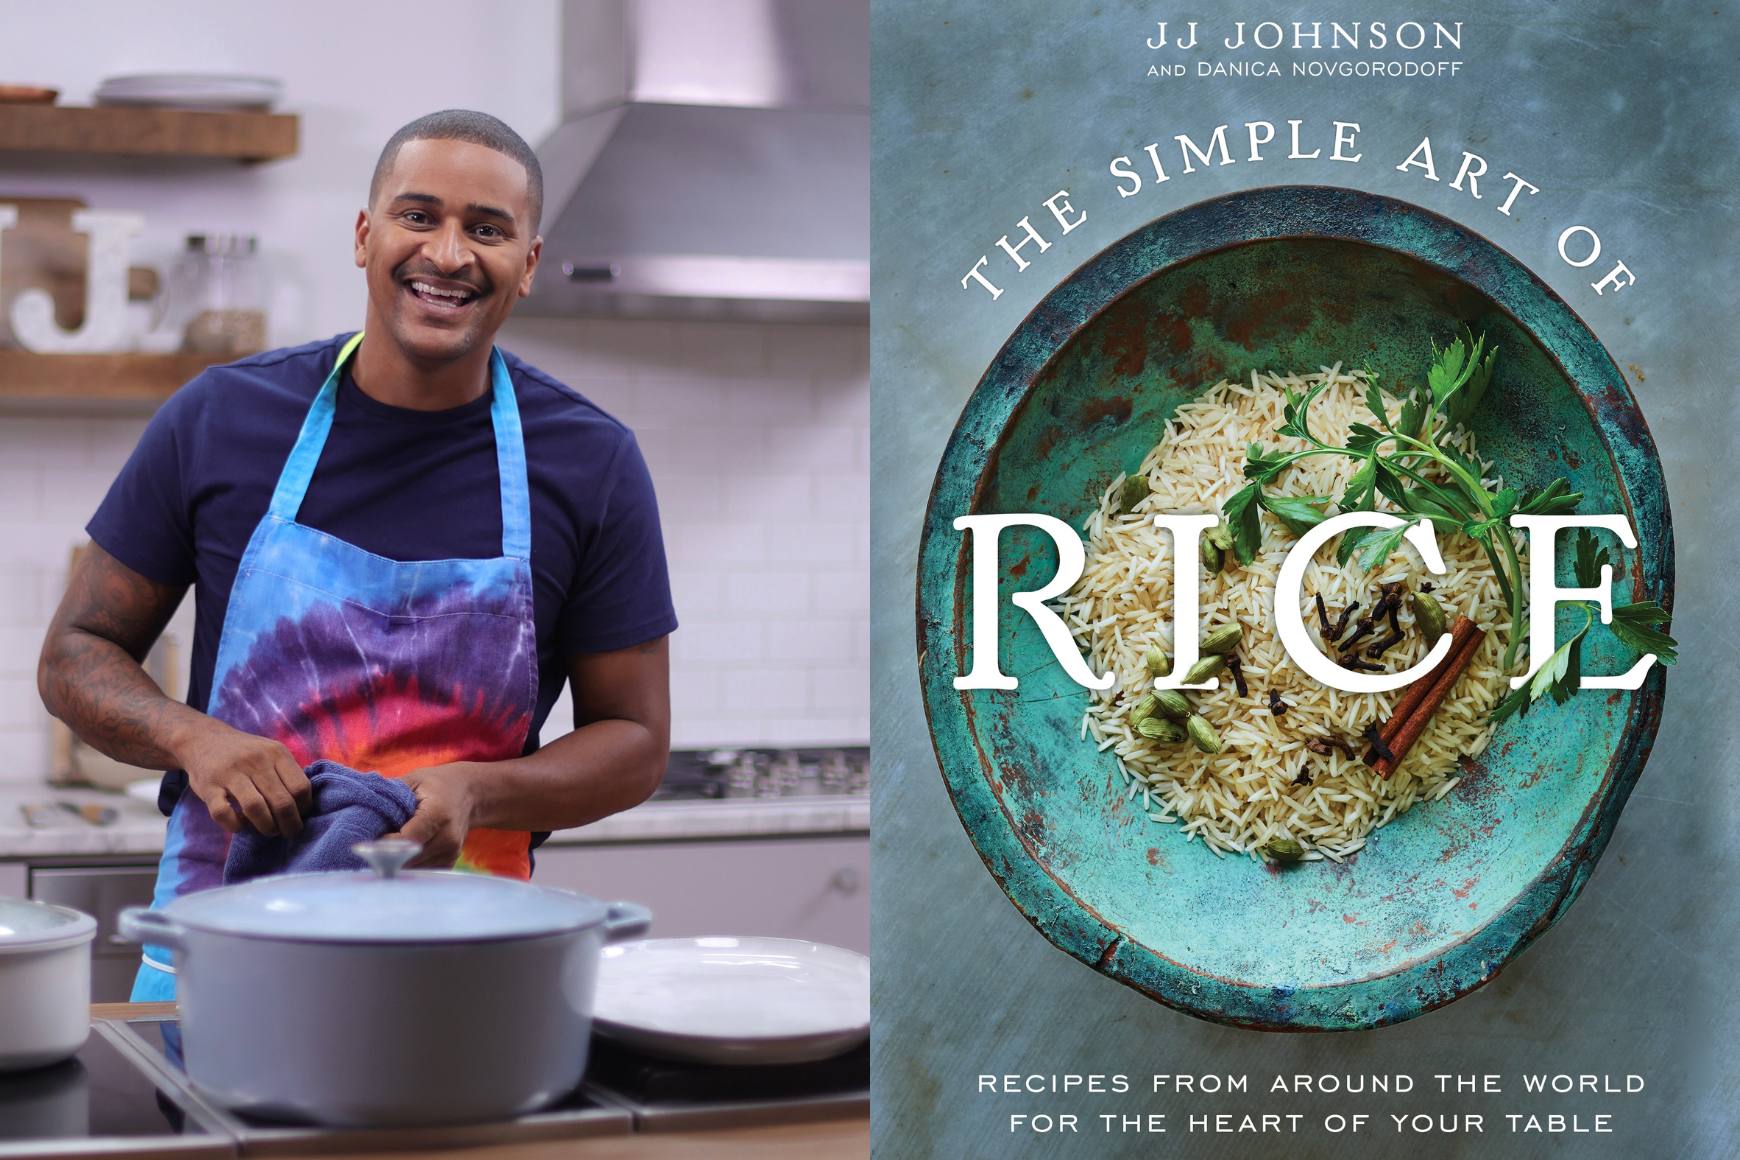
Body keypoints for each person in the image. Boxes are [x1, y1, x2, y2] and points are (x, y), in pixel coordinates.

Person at [35, 110, 675, 1001]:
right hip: (222, 964)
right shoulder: (221, 418)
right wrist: (198, 741)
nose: (448, 254)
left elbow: (637, 743)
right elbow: (75, 653)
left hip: (474, 975)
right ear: (366, 236)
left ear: (527, 265)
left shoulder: (591, 462)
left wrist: (480, 793)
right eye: (419, 216)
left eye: (486, 229)